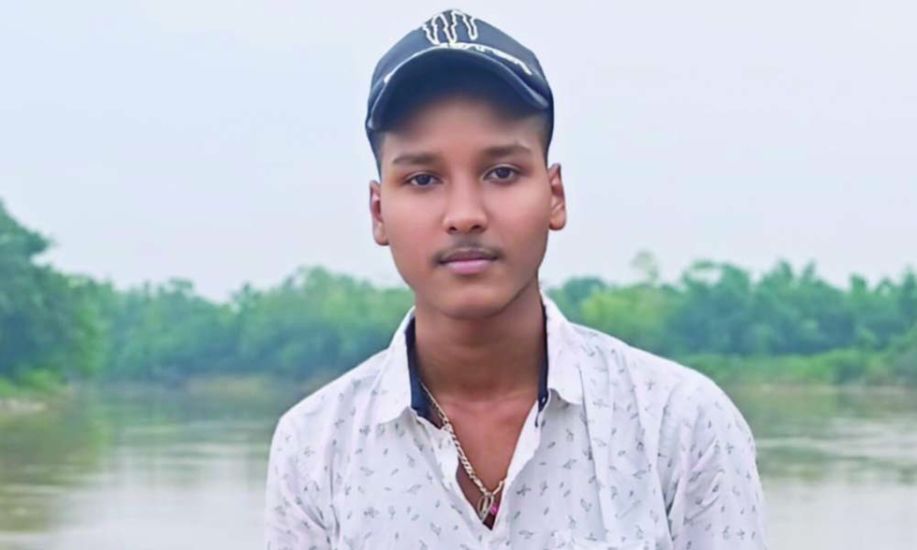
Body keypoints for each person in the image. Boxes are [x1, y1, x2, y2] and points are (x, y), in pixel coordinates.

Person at [265, 9, 766, 549]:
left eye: (502, 172)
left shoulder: (678, 425)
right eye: (424, 179)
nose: (465, 215)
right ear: (378, 210)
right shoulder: (316, 446)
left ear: (555, 196)